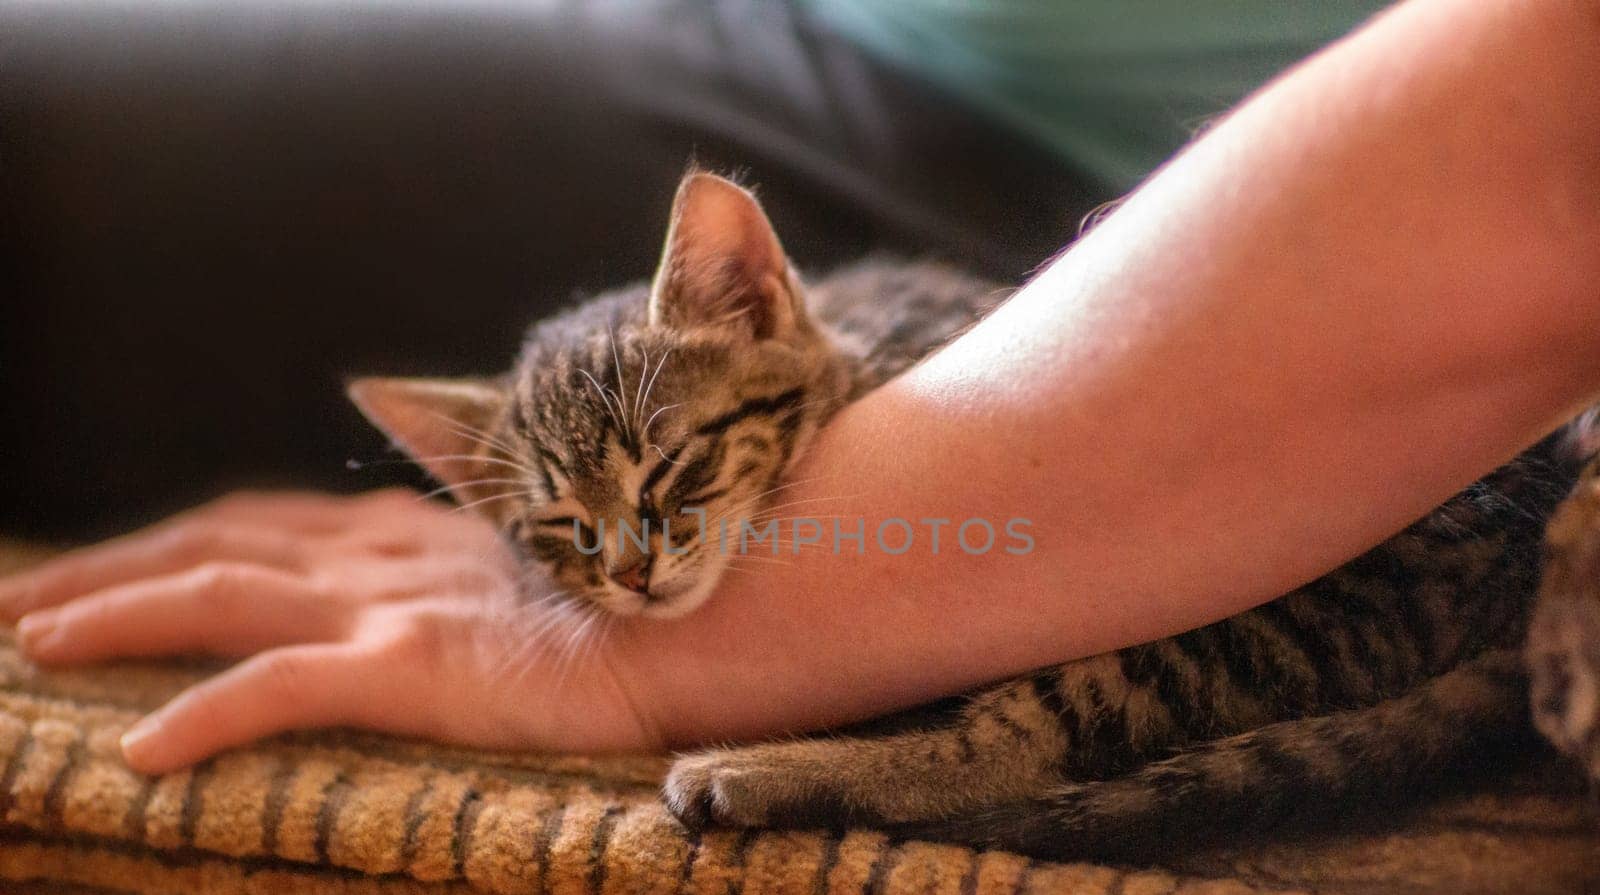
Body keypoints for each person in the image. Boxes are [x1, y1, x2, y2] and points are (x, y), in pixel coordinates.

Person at [3, 0, 1597, 776]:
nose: (623, 569)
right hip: (828, 59)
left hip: (1257, 208)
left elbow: (1555, 157)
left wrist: (746, 630)